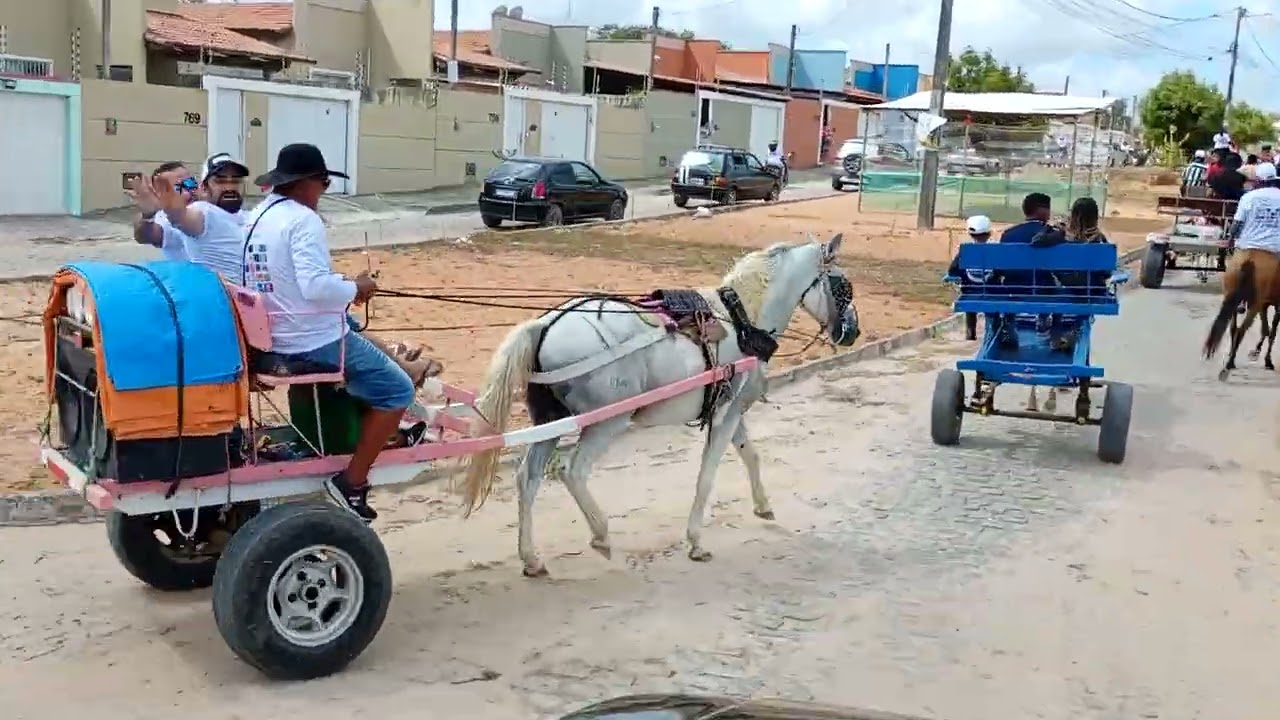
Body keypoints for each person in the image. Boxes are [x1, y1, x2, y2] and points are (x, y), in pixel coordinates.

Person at [243, 143, 435, 521]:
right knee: (397, 389)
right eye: (324, 183)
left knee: (358, 333)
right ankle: (352, 483)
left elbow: (293, 282)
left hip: (272, 333)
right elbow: (315, 287)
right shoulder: (303, 220)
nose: (324, 191)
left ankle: (365, 431)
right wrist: (356, 288)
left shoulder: (258, 216)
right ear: (305, 184)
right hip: (307, 340)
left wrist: (342, 287)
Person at [144, 153, 251, 281]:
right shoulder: (203, 212)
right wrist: (150, 214)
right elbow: (164, 227)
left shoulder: (250, 216)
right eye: (220, 181)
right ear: (204, 187)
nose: (229, 187)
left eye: (236, 181)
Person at [1030, 197, 1112, 350]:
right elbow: (1106, 272)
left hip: (1065, 286)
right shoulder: (1099, 239)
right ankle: (1076, 329)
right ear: (1095, 216)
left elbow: (1037, 241)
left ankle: (1055, 332)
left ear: (1073, 214)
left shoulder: (1062, 235)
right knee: (1087, 288)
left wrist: (1054, 230)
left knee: (1059, 287)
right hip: (1089, 291)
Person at [128, 161, 198, 261]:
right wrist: (148, 215)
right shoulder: (165, 218)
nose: (189, 192)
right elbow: (147, 236)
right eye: (178, 187)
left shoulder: (207, 208)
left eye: (190, 183)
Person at [947, 214, 993, 341]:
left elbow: (952, 270)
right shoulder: (995, 250)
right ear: (989, 233)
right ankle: (992, 331)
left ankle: (970, 333)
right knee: (992, 304)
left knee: (970, 303)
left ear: (971, 234)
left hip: (970, 290)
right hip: (991, 291)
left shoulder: (966, 251)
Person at [1228, 161, 1280, 255]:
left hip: (1248, 245)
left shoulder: (1248, 197)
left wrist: (1230, 239)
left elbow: (1237, 223)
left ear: (1258, 180)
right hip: (1276, 247)